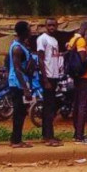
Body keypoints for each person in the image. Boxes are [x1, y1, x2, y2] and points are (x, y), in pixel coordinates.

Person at [7, 21, 36, 149]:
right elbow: (17, 69)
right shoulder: (17, 48)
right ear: (24, 31)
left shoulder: (22, 46)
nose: (31, 31)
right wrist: (25, 89)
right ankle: (16, 140)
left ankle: (16, 138)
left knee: (21, 112)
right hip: (17, 84)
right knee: (19, 112)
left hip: (22, 82)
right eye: (29, 29)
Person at [36, 18, 64, 147]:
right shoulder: (42, 39)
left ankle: (47, 135)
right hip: (47, 77)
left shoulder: (55, 40)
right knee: (48, 108)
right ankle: (48, 137)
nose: (52, 27)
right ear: (45, 26)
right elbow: (40, 60)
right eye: (49, 25)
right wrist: (45, 78)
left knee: (51, 107)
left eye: (54, 25)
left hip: (54, 76)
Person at [66, 21, 87, 144]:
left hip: (76, 76)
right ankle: (80, 136)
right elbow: (83, 60)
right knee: (83, 105)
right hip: (84, 76)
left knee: (77, 105)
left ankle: (76, 133)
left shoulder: (72, 40)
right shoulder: (81, 41)